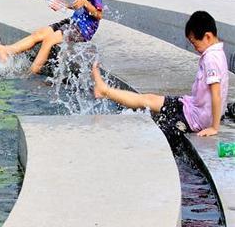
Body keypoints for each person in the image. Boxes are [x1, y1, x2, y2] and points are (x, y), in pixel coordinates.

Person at [91, 11, 228, 138]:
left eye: (194, 43)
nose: (194, 48)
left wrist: (214, 127)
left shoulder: (211, 59)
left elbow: (216, 94)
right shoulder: (217, 53)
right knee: (148, 99)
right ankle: (104, 90)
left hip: (193, 119)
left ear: (208, 36)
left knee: (157, 131)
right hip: (191, 108)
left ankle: (105, 91)